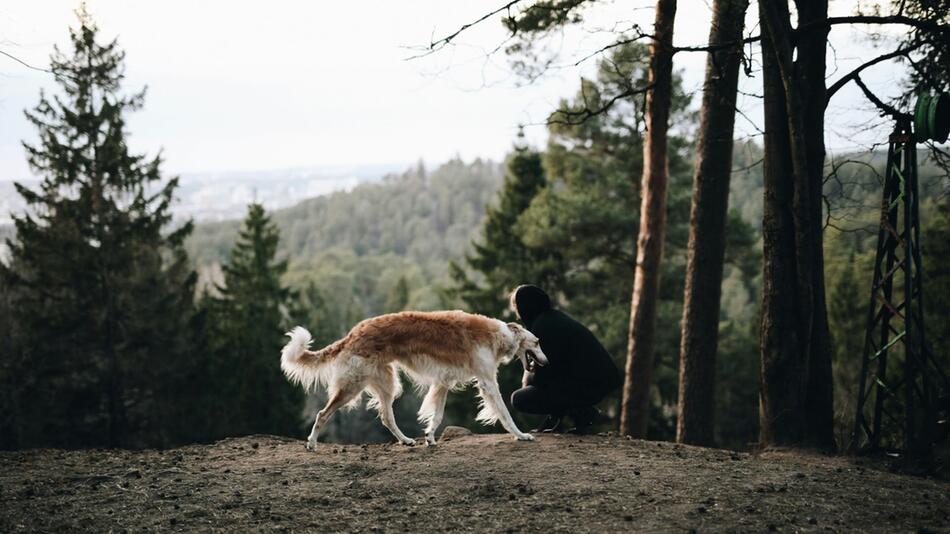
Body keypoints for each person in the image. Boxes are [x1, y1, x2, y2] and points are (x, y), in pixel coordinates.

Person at [508, 285, 622, 434]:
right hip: (597, 381)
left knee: (520, 399)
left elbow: (544, 379)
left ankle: (584, 412)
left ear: (524, 307)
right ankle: (578, 414)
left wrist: (529, 376)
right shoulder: (552, 319)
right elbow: (555, 373)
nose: (517, 315)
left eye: (517, 308)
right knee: (548, 387)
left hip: (589, 384)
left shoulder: (543, 327)